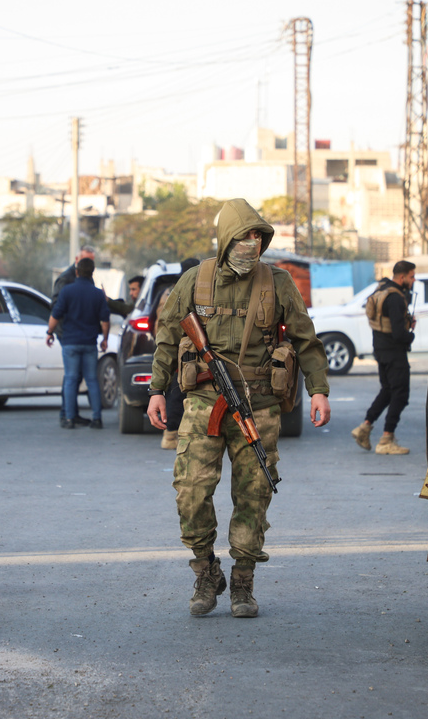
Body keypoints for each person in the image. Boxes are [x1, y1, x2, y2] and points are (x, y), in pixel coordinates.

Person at [147, 198, 331, 618]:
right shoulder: (195, 279)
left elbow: (306, 339)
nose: (252, 243)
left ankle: (243, 583)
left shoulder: (278, 282)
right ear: (226, 238)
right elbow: (168, 335)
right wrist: (157, 390)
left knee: (254, 493)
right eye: (245, 236)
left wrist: (319, 389)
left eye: (258, 237)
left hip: (259, 404)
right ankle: (206, 570)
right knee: (190, 491)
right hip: (204, 401)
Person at [351, 261, 417, 455]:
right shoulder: (395, 298)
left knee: (388, 391)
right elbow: (398, 333)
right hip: (394, 352)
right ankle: (386, 439)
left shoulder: (382, 290)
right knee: (400, 395)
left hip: (380, 349)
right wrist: (410, 333)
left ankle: (364, 427)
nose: (413, 281)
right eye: (412, 277)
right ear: (402, 276)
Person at [47, 257, 111, 429]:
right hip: (89, 343)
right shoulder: (98, 294)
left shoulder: (67, 291)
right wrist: (105, 339)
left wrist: (49, 332)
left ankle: (69, 418)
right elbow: (105, 319)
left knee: (70, 379)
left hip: (70, 342)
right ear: (92, 273)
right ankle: (97, 419)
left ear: (77, 272)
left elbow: (56, 314)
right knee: (91, 379)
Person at [50, 245, 97, 423]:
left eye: (92, 261)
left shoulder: (86, 276)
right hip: (69, 333)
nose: (89, 264)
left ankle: (71, 413)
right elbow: (56, 307)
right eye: (87, 260)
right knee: (73, 375)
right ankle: (66, 414)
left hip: (80, 332)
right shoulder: (65, 279)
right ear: (77, 260)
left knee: (76, 376)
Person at [160, 258, 201, 450]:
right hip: (183, 348)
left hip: (181, 348)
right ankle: (170, 435)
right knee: (177, 393)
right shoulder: (189, 291)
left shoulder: (172, 291)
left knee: (177, 392)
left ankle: (173, 434)